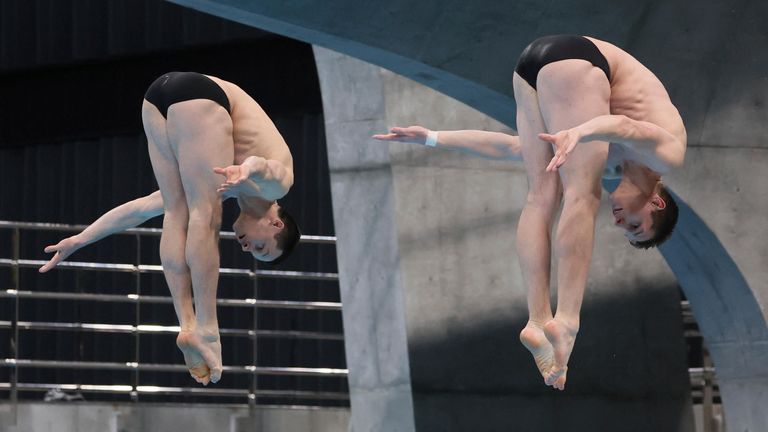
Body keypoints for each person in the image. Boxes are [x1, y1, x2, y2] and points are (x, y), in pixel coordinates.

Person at [374, 35, 687, 390]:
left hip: (529, 67)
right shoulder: (666, 156)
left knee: (541, 195)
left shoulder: (614, 158)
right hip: (579, 59)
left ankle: (538, 320)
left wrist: (432, 137)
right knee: (582, 193)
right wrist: (581, 131)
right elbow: (628, 127)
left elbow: (511, 148)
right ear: (656, 203)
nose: (618, 221)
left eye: (624, 229)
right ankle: (567, 319)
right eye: (635, 224)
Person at [39, 71, 302, 385]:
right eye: (261, 247)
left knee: (176, 211)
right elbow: (265, 166)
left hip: (156, 97)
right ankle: (207, 331)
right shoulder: (276, 191)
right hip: (202, 95)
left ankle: (188, 326)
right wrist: (245, 169)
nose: (246, 248)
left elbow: (138, 209)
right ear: (275, 223)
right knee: (203, 214)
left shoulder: (226, 184)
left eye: (252, 253)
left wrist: (80, 240)